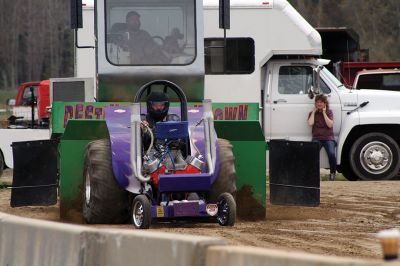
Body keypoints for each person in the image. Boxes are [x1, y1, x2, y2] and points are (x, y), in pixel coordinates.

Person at [308, 94, 336, 181]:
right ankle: (314, 175)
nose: (319, 104)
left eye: (321, 102)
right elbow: (310, 123)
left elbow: (330, 124)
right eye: (317, 102)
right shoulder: (312, 113)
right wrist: (313, 112)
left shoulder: (329, 112)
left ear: (325, 104)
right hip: (317, 138)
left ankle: (332, 173)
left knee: (331, 154)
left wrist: (324, 113)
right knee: (312, 154)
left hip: (328, 138)